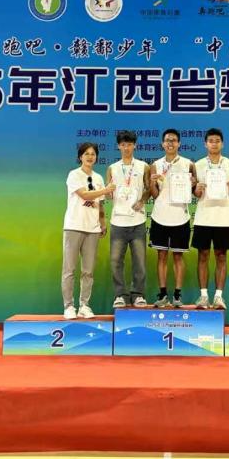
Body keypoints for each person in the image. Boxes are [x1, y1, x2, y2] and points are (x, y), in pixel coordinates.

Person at [62, 142, 114, 319]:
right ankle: (69, 306)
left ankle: (84, 305)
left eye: (93, 154)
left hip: (92, 229)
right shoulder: (74, 175)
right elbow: (84, 195)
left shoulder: (98, 178)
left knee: (88, 271)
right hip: (74, 226)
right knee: (69, 269)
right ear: (80, 157)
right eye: (86, 154)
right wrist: (105, 190)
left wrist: (102, 222)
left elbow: (100, 203)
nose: (90, 157)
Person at [192, 128, 229, 310]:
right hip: (203, 217)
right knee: (203, 255)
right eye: (211, 141)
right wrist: (197, 189)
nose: (214, 144)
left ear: (222, 144)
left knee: (221, 256)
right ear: (205, 144)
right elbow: (195, 193)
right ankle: (204, 296)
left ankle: (219, 297)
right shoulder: (197, 165)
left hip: (223, 217)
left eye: (217, 141)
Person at [148, 128, 197, 307]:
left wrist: (194, 184)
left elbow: (195, 191)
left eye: (174, 140)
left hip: (180, 217)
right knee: (161, 256)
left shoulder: (188, 164)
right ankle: (162, 295)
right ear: (162, 144)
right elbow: (154, 195)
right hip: (160, 216)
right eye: (167, 140)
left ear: (179, 143)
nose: (170, 143)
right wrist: (152, 182)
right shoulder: (155, 165)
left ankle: (177, 295)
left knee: (178, 256)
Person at [106, 130, 151, 309]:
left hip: (137, 221)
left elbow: (149, 188)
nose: (126, 148)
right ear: (118, 146)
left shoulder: (143, 166)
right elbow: (108, 193)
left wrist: (143, 200)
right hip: (118, 221)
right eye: (123, 144)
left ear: (135, 146)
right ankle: (120, 295)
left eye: (129, 144)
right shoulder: (112, 168)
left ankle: (138, 294)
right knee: (115, 261)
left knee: (139, 261)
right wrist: (108, 193)